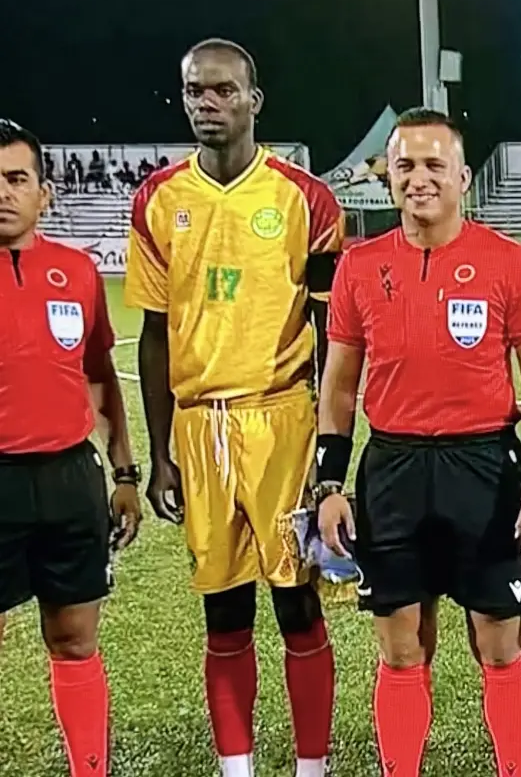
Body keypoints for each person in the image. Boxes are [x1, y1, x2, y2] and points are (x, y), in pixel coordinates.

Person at [317, 107, 521, 777]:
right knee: (400, 648)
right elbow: (337, 387)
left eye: (432, 165)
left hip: (484, 470)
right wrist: (329, 486)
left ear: (462, 176)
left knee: (499, 644)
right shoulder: (360, 267)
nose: (418, 178)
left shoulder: (506, 262)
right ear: (388, 175)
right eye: (404, 165)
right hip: (391, 470)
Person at [124, 39, 343, 777]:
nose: (207, 104)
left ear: (255, 100)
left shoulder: (306, 200)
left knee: (298, 606)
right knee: (224, 614)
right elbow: (153, 334)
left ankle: (311, 768)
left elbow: (332, 335)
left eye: (223, 91)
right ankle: (237, 769)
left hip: (282, 420)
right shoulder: (158, 198)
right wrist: (160, 453)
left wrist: (326, 456)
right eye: (194, 92)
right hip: (199, 425)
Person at [0, 119, 142, 776]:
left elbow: (100, 374)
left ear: (44, 194)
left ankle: (91, 769)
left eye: (15, 179)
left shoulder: (78, 271)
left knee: (75, 640)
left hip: (68, 480)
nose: (4, 192)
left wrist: (125, 472)